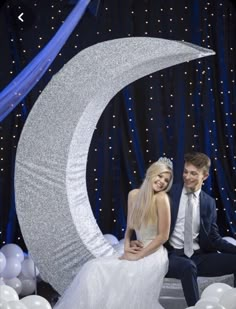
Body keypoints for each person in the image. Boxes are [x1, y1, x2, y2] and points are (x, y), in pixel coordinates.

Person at [54, 157, 173, 309]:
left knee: (125, 272)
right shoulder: (133, 195)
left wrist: (138, 256)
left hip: (153, 252)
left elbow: (163, 236)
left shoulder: (161, 198)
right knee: (93, 267)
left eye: (166, 180)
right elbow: (130, 225)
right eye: (160, 176)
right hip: (138, 248)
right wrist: (127, 245)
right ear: (151, 174)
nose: (162, 181)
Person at [164, 152, 236, 307]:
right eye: (185, 171)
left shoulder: (209, 202)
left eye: (193, 173)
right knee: (188, 267)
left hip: (199, 257)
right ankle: (195, 307)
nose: (187, 177)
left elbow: (214, 238)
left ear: (204, 176)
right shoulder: (169, 194)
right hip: (173, 255)